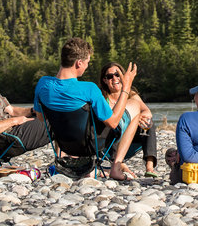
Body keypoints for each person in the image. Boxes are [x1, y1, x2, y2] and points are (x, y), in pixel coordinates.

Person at [33, 37, 140, 180]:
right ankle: (116, 167)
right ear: (79, 63)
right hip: (91, 145)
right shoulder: (89, 88)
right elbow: (113, 123)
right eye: (87, 62)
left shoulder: (42, 84)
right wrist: (126, 87)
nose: (87, 66)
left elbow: (41, 118)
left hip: (65, 146)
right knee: (135, 107)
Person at [98, 62, 157, 177]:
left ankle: (149, 166)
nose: (114, 78)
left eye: (117, 74)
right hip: (109, 144)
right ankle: (119, 163)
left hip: (130, 142)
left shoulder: (132, 94)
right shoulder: (102, 97)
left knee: (149, 124)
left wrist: (138, 117)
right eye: (110, 76)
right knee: (115, 126)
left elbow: (147, 112)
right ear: (105, 80)